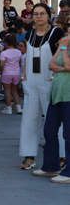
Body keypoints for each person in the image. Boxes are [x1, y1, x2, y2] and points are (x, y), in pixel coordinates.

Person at [19, 3, 64, 170]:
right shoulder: (29, 33)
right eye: (36, 14)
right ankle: (29, 155)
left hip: (50, 82)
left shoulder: (56, 32)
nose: (38, 17)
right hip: (31, 83)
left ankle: (60, 156)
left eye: (42, 13)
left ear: (48, 15)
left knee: (54, 122)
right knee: (29, 120)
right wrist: (23, 76)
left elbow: (63, 55)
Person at [39, 12, 70, 184]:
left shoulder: (65, 44)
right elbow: (51, 64)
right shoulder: (65, 41)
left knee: (68, 134)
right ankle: (50, 166)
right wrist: (62, 67)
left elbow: (67, 64)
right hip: (57, 93)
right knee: (49, 130)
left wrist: (64, 49)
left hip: (69, 95)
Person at [0, 33, 24, 114]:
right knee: (15, 91)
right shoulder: (18, 52)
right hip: (16, 73)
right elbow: (20, 63)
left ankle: (8, 108)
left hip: (7, 73)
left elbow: (2, 65)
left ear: (6, 43)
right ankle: (19, 108)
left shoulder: (4, 53)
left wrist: (0, 71)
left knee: (7, 91)